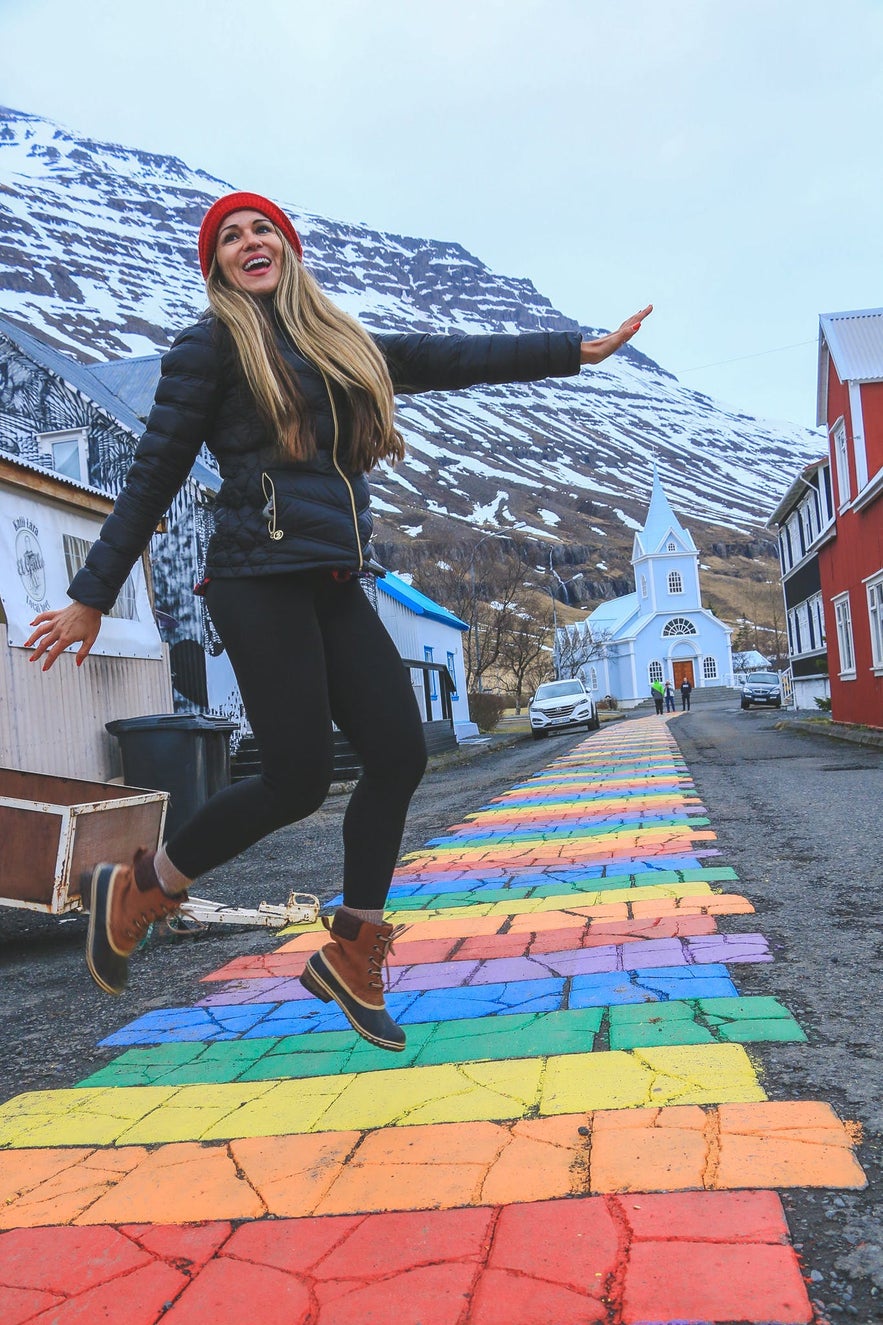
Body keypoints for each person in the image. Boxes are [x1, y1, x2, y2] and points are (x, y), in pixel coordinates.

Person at [24, 190, 652, 1052]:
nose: (250, 241)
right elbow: (154, 475)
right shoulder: (208, 350)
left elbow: (450, 357)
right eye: (231, 237)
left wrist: (573, 351)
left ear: (287, 249)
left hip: (329, 576)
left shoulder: (335, 345)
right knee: (296, 779)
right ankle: (139, 891)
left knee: (396, 750)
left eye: (263, 229)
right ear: (216, 267)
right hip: (255, 578)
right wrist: (93, 593)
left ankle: (353, 948)